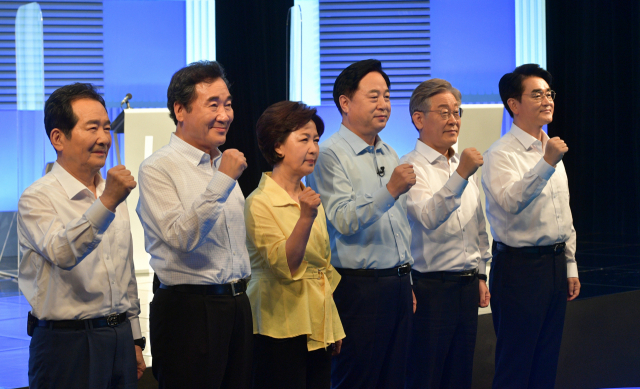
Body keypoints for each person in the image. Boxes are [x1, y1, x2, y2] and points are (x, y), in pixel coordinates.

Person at [18, 83, 145, 388]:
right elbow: (63, 253)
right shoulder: (37, 197)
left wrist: (135, 337)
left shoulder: (108, 190)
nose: (104, 138)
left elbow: (123, 270)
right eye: (92, 128)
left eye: (105, 127)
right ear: (58, 138)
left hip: (118, 338)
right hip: (66, 344)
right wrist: (107, 203)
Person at [137, 61, 252, 389]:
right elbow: (181, 237)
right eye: (213, 104)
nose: (225, 114)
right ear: (180, 110)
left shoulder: (222, 162)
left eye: (228, 104)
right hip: (188, 312)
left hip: (236, 305)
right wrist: (224, 179)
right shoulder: (158, 168)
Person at [306, 59, 416, 389]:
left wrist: (405, 277)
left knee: (395, 378)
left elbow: (400, 225)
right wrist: (391, 189)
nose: (384, 104)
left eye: (387, 96)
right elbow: (342, 219)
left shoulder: (390, 153)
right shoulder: (328, 155)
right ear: (345, 102)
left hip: (396, 284)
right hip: (358, 289)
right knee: (357, 379)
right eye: (373, 96)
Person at [482, 64, 581, 388]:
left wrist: (570, 264)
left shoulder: (549, 147)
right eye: (536, 94)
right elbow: (511, 203)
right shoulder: (501, 154)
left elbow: (561, 213)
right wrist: (546, 163)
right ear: (514, 104)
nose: (547, 100)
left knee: (546, 362)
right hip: (519, 270)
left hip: (553, 266)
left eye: (549, 93)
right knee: (516, 364)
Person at [245, 101, 345, 389]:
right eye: (304, 139)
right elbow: (286, 266)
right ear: (278, 146)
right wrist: (305, 217)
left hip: (316, 323)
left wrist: (332, 324)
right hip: (277, 325)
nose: (314, 148)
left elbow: (322, 268)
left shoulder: (309, 196)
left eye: (315, 140)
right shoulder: (258, 202)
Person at [400, 79, 492, 389]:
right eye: (444, 112)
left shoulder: (459, 163)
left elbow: (478, 226)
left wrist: (481, 275)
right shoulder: (411, 166)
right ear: (419, 119)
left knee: (460, 377)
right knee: (425, 377)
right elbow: (428, 217)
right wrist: (462, 174)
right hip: (430, 292)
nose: (454, 120)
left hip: (466, 288)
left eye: (457, 111)